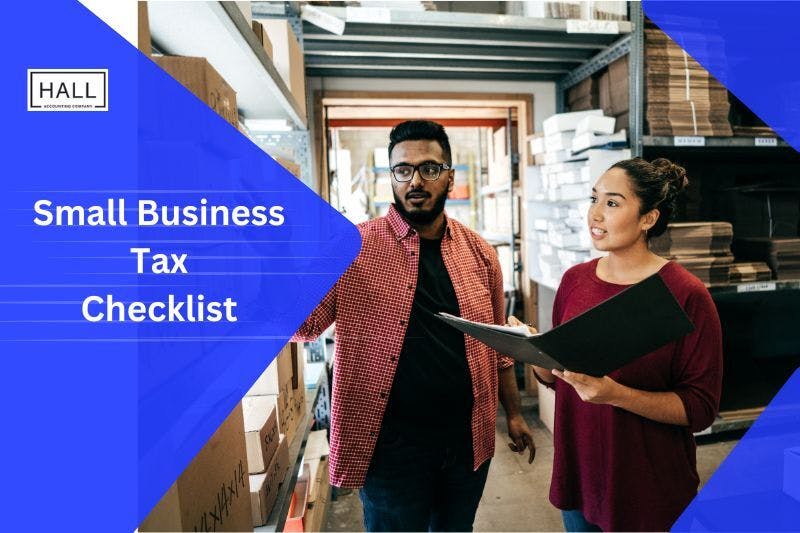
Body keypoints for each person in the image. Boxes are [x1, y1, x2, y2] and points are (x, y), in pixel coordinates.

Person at [293, 120, 535, 532]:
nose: (415, 181)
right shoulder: (351, 247)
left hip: (466, 442)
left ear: (450, 177)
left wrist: (514, 414)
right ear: (391, 177)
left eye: (429, 168)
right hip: (391, 449)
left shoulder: (480, 252)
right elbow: (304, 326)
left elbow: (500, 348)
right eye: (403, 170)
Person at [518, 157, 723, 532]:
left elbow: (701, 408)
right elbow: (560, 380)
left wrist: (617, 395)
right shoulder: (575, 281)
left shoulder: (685, 294)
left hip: (649, 491)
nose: (595, 214)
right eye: (593, 198)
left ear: (648, 218)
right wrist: (532, 351)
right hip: (580, 480)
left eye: (612, 202)